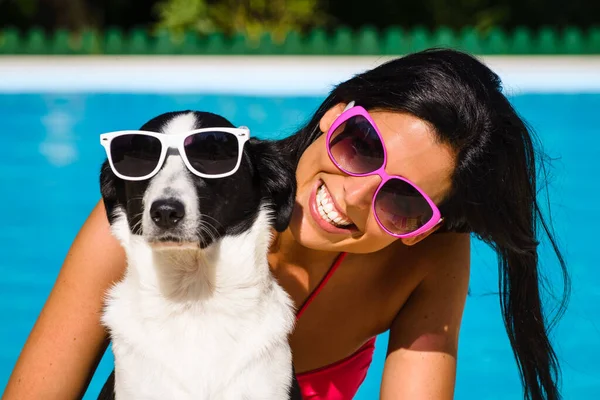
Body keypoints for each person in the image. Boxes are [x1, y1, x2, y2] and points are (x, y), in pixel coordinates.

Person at [3, 48, 569, 400]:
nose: (351, 197)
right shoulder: (154, 218)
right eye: (361, 146)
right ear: (335, 112)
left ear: (427, 226)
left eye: (402, 201)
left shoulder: (424, 258)